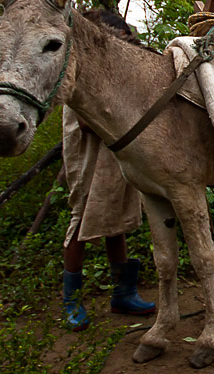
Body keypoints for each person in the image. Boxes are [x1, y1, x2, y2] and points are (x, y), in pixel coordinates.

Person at [62, 104, 156, 331]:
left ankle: (123, 294)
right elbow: (85, 122)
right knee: (82, 216)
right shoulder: (77, 74)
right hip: (88, 151)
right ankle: (71, 302)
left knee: (116, 216)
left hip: (113, 146)